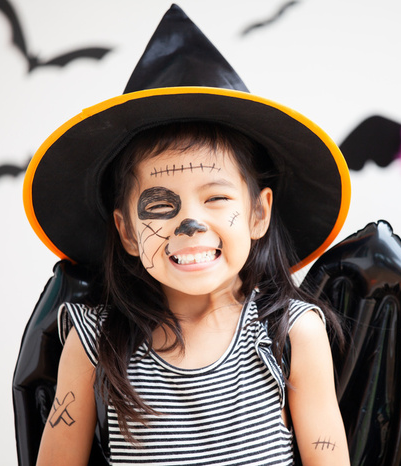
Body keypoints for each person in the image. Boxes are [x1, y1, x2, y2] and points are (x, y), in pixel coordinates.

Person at [25, 5, 351, 466]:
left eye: (216, 198)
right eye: (160, 205)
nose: (190, 224)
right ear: (128, 232)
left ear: (259, 214)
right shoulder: (94, 341)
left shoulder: (293, 333)